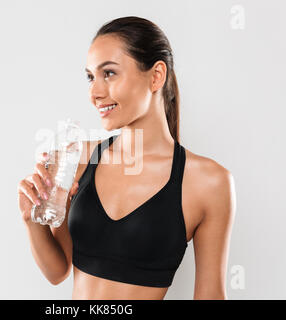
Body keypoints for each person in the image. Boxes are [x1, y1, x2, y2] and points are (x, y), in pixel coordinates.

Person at [17, 16, 236, 300]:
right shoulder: (79, 158)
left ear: (156, 76)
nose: (94, 93)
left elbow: (210, 296)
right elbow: (58, 271)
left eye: (109, 73)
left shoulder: (209, 182)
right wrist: (33, 221)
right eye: (90, 77)